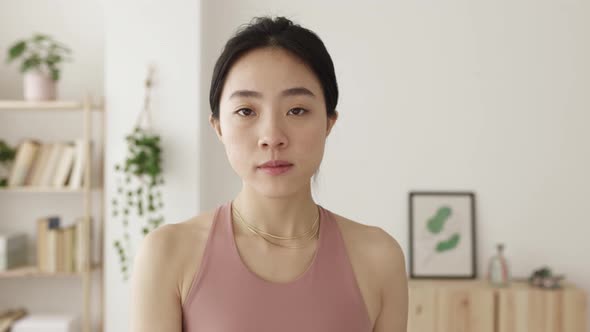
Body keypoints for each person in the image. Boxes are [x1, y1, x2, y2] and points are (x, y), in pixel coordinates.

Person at [130, 16, 408, 332]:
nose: (272, 136)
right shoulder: (167, 254)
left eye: (297, 110)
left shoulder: (379, 258)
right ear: (219, 127)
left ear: (329, 123)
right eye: (246, 111)